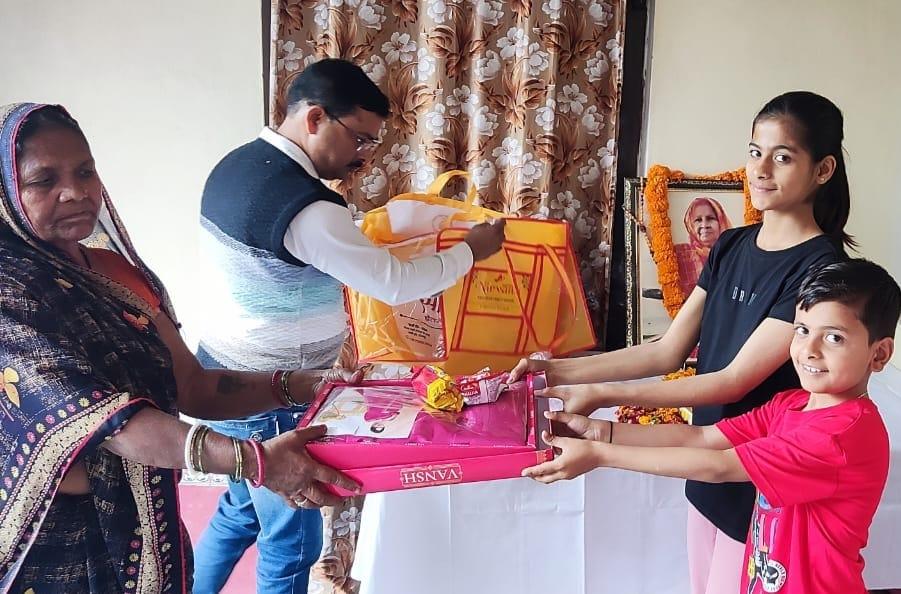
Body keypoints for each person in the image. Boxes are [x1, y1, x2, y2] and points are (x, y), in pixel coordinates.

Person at [0, 103, 361, 594]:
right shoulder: (12, 294)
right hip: (59, 546)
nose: (76, 191)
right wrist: (258, 461)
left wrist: (304, 386)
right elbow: (114, 425)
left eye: (85, 171)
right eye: (44, 180)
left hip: (150, 525)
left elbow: (191, 385)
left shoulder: (113, 271)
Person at [511, 91, 851, 594]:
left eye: (783, 157)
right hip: (704, 457)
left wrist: (602, 395)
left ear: (822, 170)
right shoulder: (732, 244)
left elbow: (731, 381)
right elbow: (666, 350)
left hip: (756, 474)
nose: (761, 170)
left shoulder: (820, 269)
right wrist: (554, 371)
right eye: (755, 152)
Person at [192, 58, 505, 594]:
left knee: (241, 510)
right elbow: (395, 284)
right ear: (315, 118)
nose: (364, 157)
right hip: (271, 392)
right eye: (359, 139)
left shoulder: (236, 165)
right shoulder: (306, 207)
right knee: (290, 542)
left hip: (222, 373)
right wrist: (470, 251)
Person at [524, 259, 898, 594]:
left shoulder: (842, 434)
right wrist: (601, 433)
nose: (809, 349)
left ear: (879, 354)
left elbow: (719, 465)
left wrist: (599, 455)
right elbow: (703, 436)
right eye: (802, 330)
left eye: (834, 337)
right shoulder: (791, 404)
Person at [674, 196, 732, 298]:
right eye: (698, 220)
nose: (704, 225)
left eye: (710, 218)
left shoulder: (735, 253)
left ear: (721, 221)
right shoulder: (680, 253)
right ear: (690, 224)